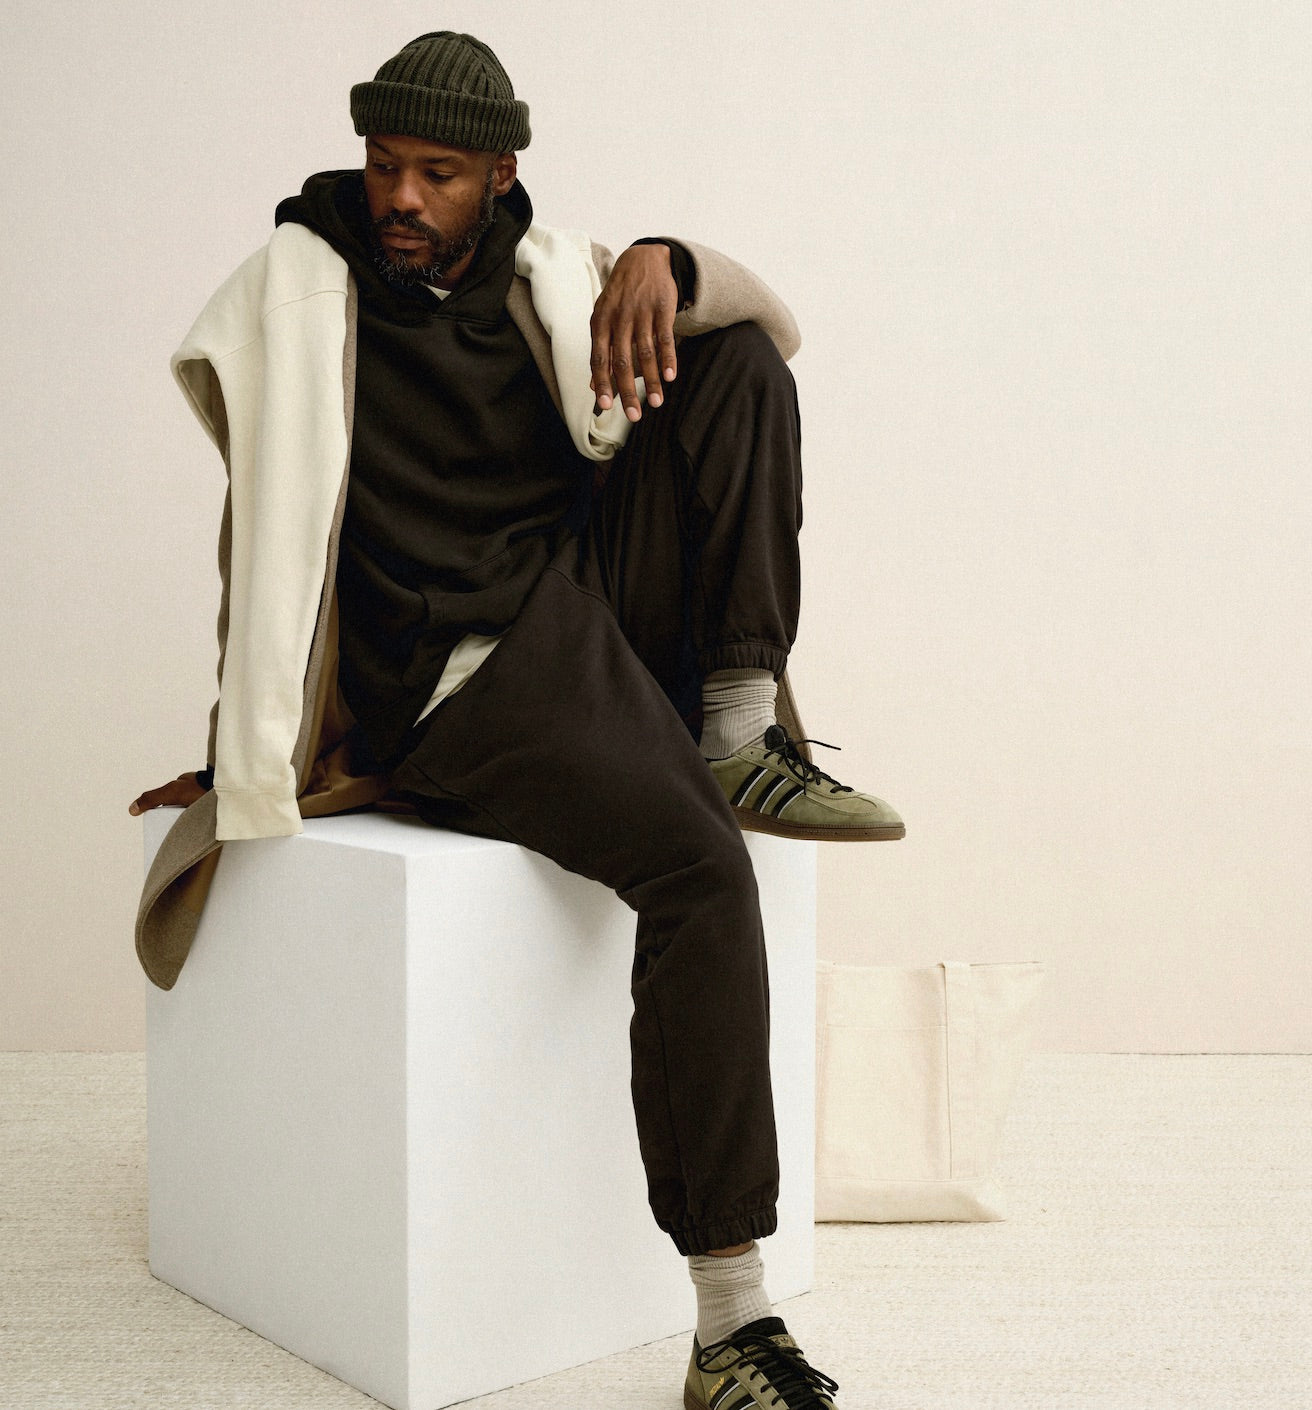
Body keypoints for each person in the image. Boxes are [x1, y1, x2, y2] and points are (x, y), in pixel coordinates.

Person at [130, 30, 904, 1410]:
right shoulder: (303, 287)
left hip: (577, 599)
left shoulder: (547, 270)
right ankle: (731, 1324)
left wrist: (666, 257)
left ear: (499, 174)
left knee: (735, 366)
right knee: (700, 872)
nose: (401, 197)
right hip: (458, 667)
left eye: (436, 173)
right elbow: (268, 536)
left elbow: (770, 328)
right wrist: (242, 744)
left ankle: (736, 730)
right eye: (384, 164)